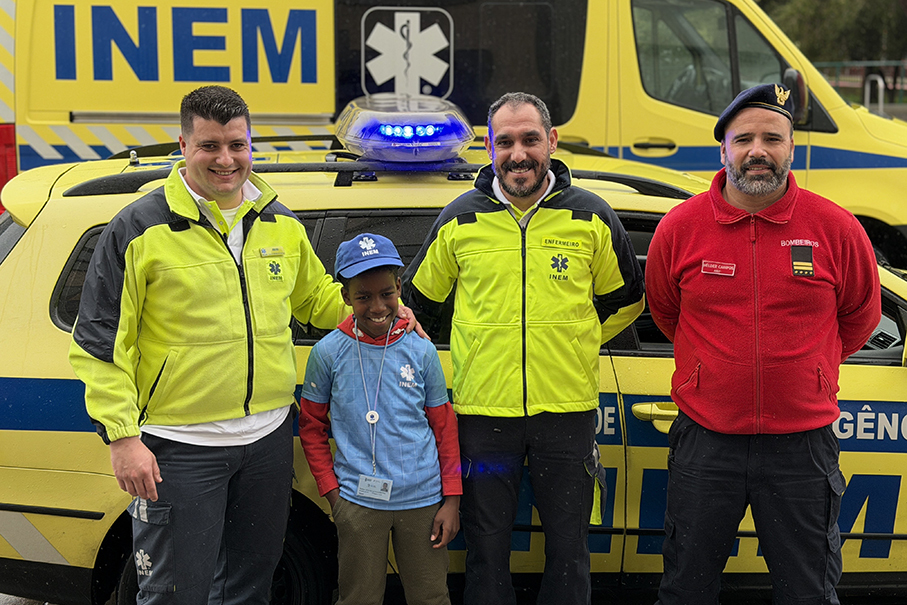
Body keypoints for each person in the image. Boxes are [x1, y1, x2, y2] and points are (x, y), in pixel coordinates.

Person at [68, 86, 419, 604]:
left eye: (237, 144)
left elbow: (316, 300)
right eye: (210, 145)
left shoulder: (278, 221)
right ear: (183, 145)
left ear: (250, 144)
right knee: (173, 594)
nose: (226, 159)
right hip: (180, 447)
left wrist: (380, 309)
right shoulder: (139, 229)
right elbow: (99, 339)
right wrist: (122, 439)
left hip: (267, 442)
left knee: (250, 590)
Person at [402, 92, 646, 605]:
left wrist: (575, 342)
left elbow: (627, 299)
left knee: (569, 550)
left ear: (551, 142)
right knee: (486, 551)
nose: (518, 154)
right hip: (484, 422)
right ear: (490, 148)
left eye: (530, 139)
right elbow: (414, 306)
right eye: (505, 141)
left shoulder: (592, 216)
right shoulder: (459, 219)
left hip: (567, 418)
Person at [645, 83, 882, 604]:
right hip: (707, 441)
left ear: (791, 149)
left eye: (772, 138)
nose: (758, 151)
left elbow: (862, 316)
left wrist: (808, 369)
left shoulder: (836, 228)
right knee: (686, 588)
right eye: (744, 138)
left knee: (808, 592)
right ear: (723, 150)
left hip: (803, 448)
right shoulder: (680, 229)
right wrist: (714, 370)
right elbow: (666, 310)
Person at [299, 233, 461, 605]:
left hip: (422, 501)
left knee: (431, 596)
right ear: (345, 297)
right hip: (358, 501)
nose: (377, 306)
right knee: (359, 597)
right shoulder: (328, 353)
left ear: (399, 288)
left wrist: (451, 500)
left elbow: (443, 427)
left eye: (387, 293)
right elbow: (311, 428)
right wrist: (333, 494)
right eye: (363, 296)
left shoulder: (421, 351)